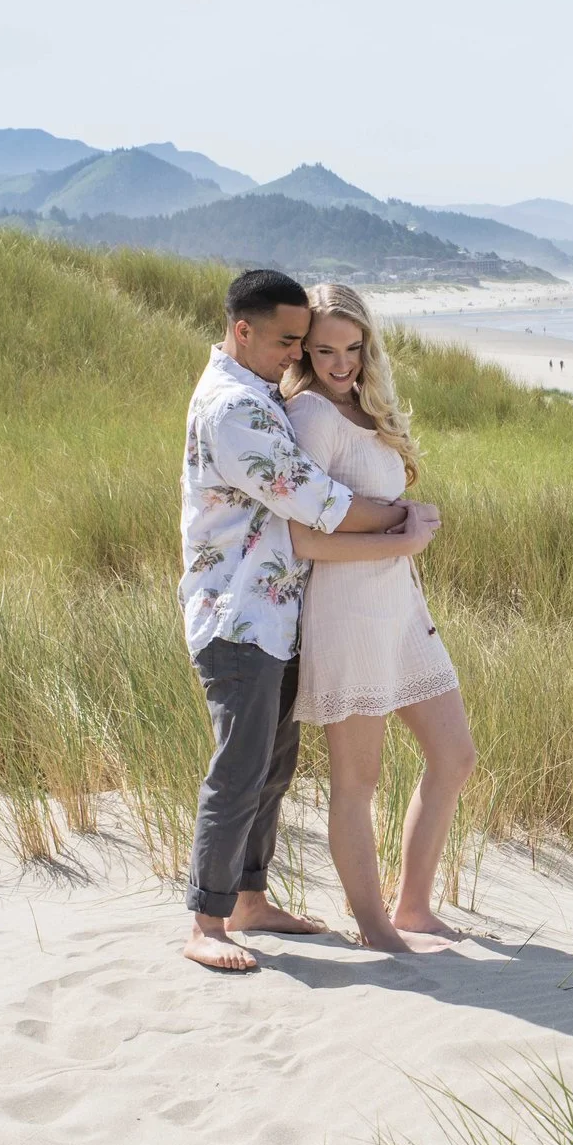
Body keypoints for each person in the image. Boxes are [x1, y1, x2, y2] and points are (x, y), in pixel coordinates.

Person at [178, 270, 425, 973]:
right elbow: (318, 501)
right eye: (288, 342)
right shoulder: (234, 407)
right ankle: (206, 921)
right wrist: (403, 520)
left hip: (276, 615)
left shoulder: (257, 390)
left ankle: (249, 900)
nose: (297, 355)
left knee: (272, 766)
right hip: (238, 618)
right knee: (239, 769)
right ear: (242, 330)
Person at [283, 284, 474, 954]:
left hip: (400, 610)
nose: (341, 363)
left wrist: (405, 534)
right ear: (305, 351)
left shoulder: (368, 410)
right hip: (349, 613)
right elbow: (304, 539)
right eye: (325, 350)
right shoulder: (310, 414)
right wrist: (402, 539)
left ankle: (414, 907)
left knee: (454, 755)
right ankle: (376, 928)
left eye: (353, 348)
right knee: (357, 782)